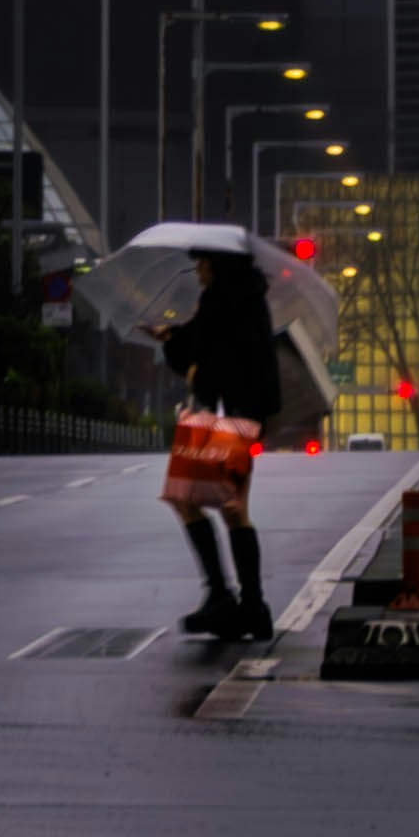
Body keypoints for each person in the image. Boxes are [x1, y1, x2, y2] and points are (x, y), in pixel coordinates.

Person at [156, 245, 282, 645]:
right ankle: (248, 604)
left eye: (201, 264)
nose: (197, 272)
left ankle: (227, 598)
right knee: (228, 507)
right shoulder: (245, 298)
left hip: (224, 417)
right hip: (243, 416)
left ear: (216, 265)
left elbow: (203, 355)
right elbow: (202, 344)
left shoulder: (223, 302)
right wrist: (174, 339)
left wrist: (176, 347)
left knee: (188, 498)